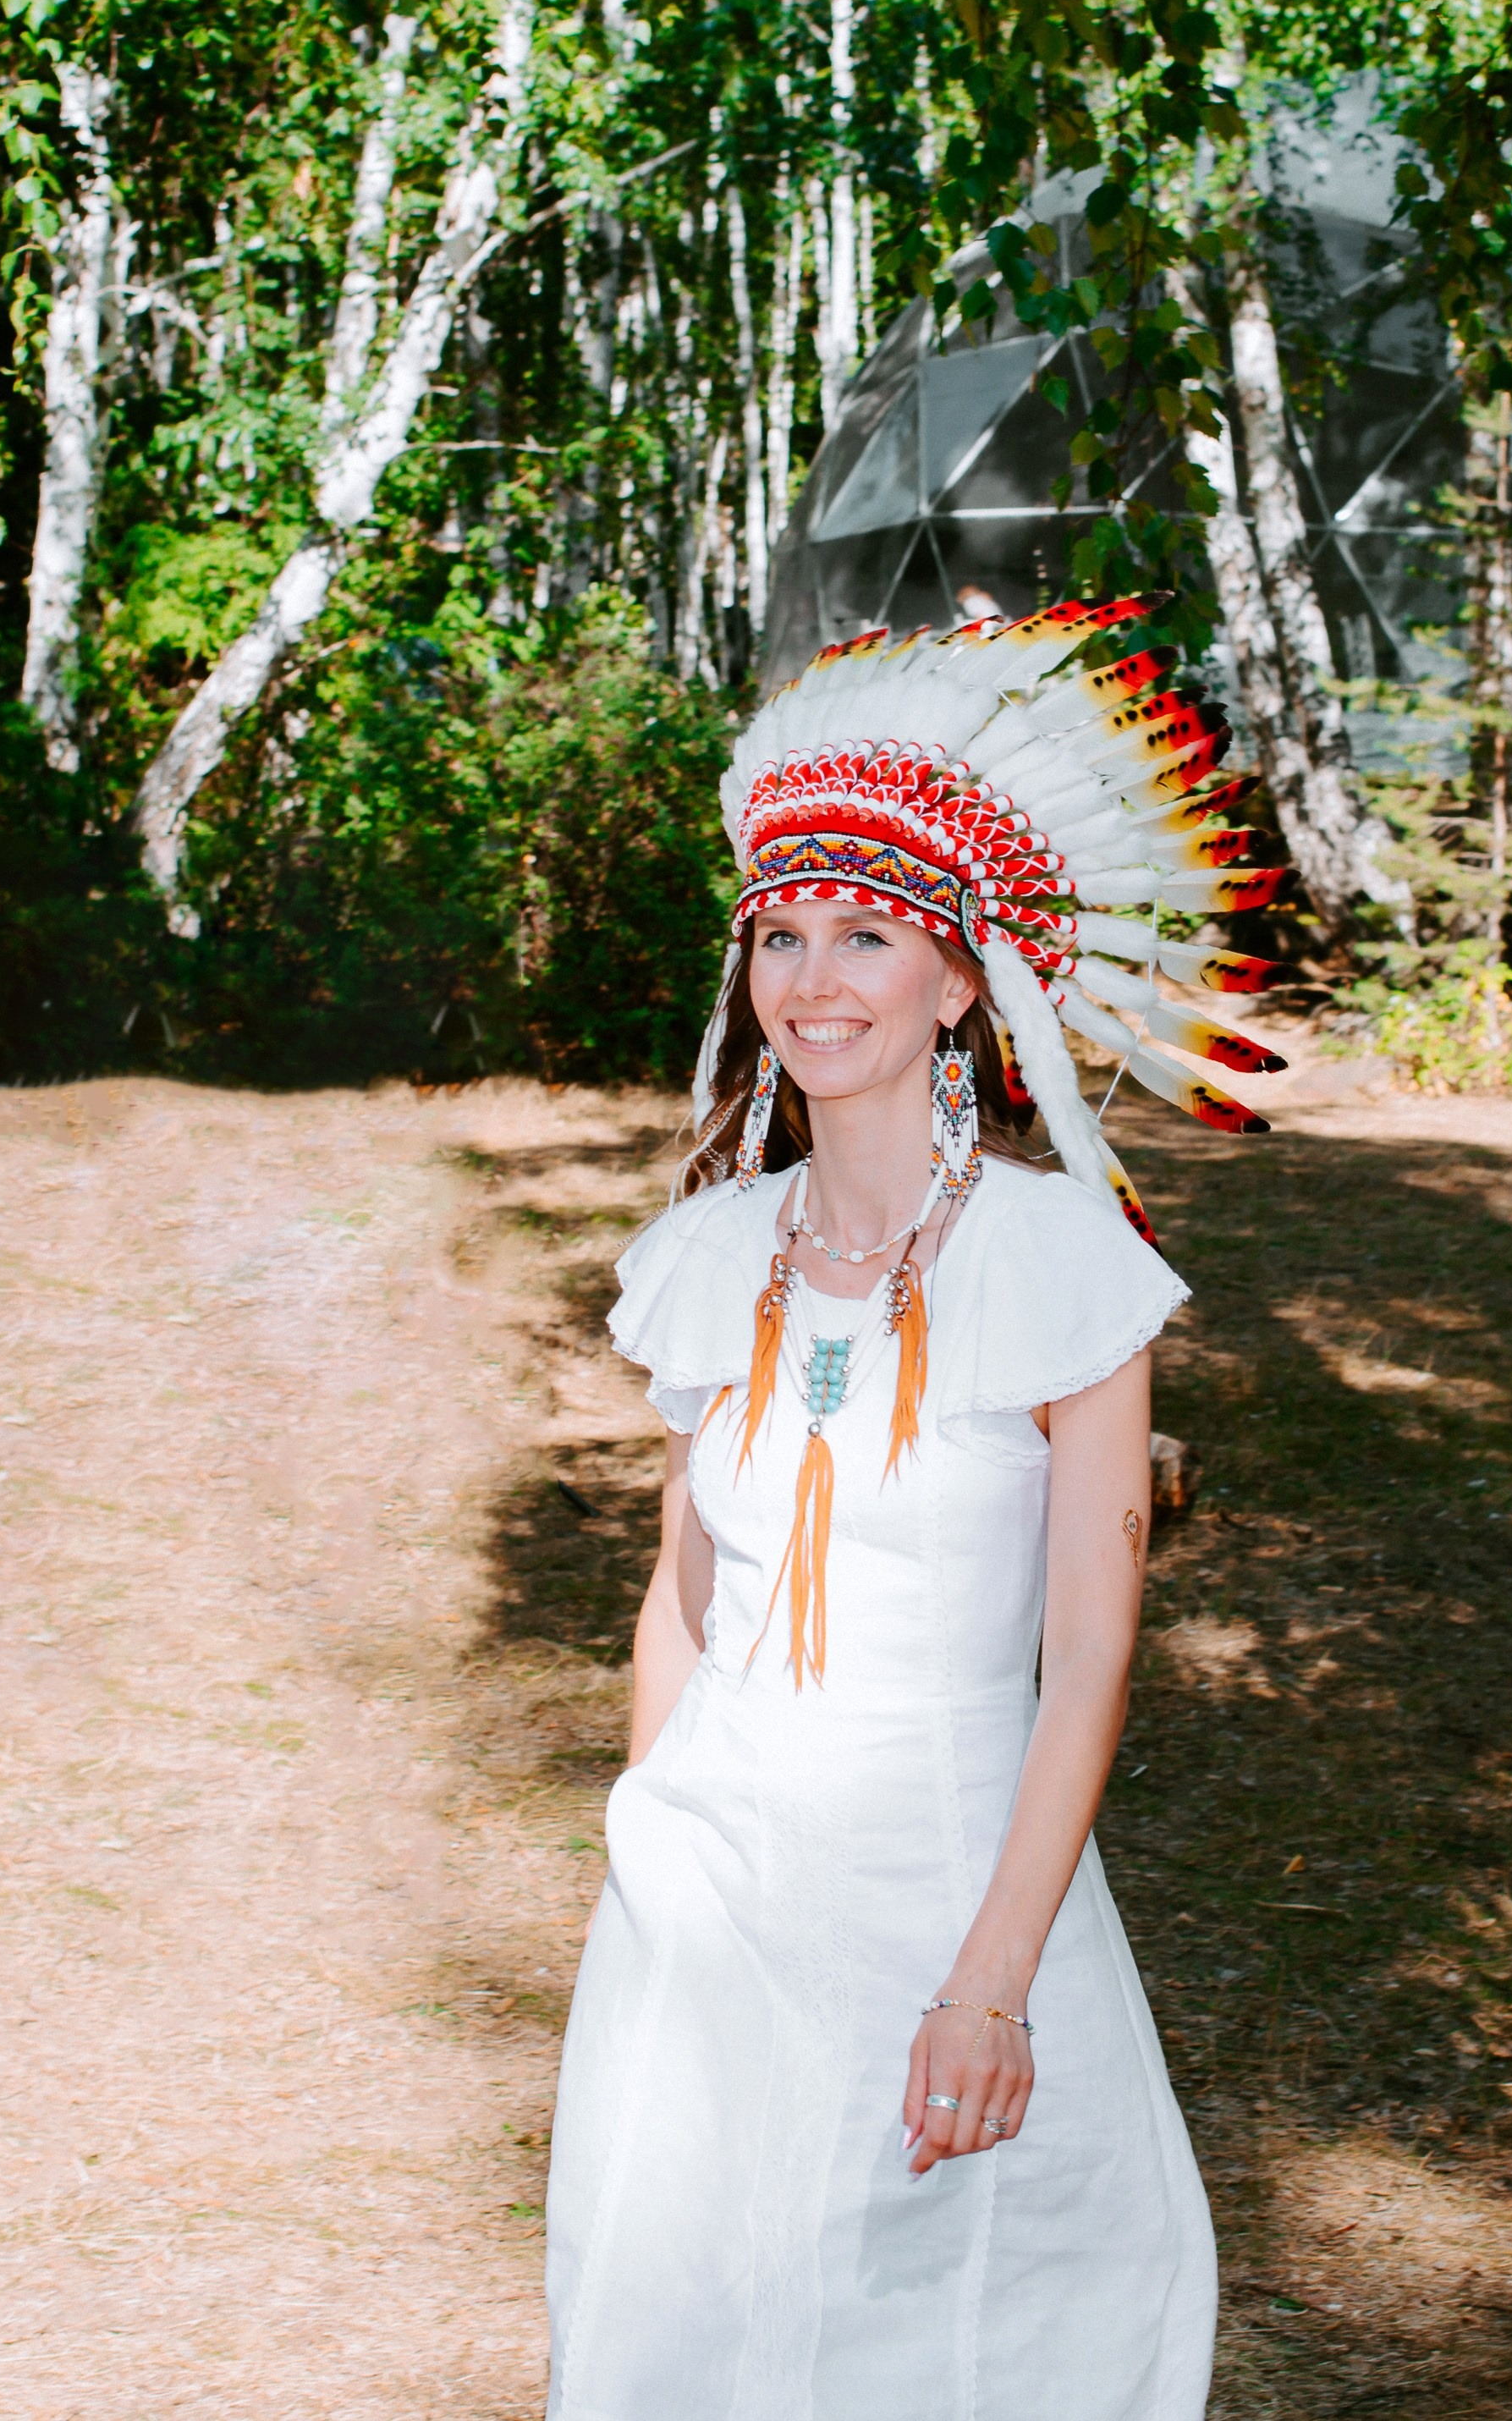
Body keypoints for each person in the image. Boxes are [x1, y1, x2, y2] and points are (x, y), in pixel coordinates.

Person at [544, 596, 1287, 2420]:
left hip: (950, 1889)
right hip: (705, 1901)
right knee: (678, 2325)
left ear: (959, 980)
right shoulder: (708, 1258)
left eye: (866, 932)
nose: (811, 977)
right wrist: (650, 1833)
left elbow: (1089, 1650)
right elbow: (682, 1590)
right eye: (781, 933)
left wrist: (992, 1982)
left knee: (967, 2341)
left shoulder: (1063, 1268)